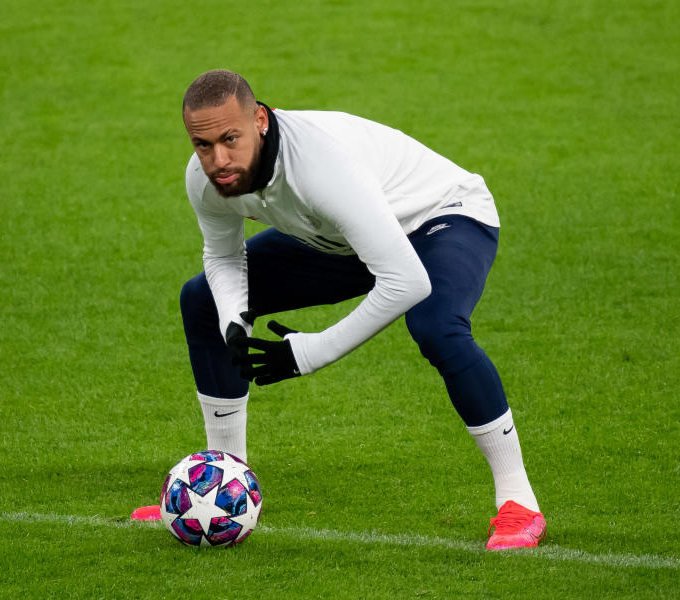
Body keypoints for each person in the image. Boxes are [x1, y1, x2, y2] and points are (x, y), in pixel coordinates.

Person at [132, 69, 546, 550]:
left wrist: (305, 353)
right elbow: (225, 256)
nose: (218, 159)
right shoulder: (205, 179)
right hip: (339, 241)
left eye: (230, 139)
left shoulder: (320, 167)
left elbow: (406, 280)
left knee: (436, 325)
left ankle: (519, 502)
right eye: (203, 145)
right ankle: (224, 487)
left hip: (440, 218)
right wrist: (232, 320)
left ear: (260, 121)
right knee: (202, 300)